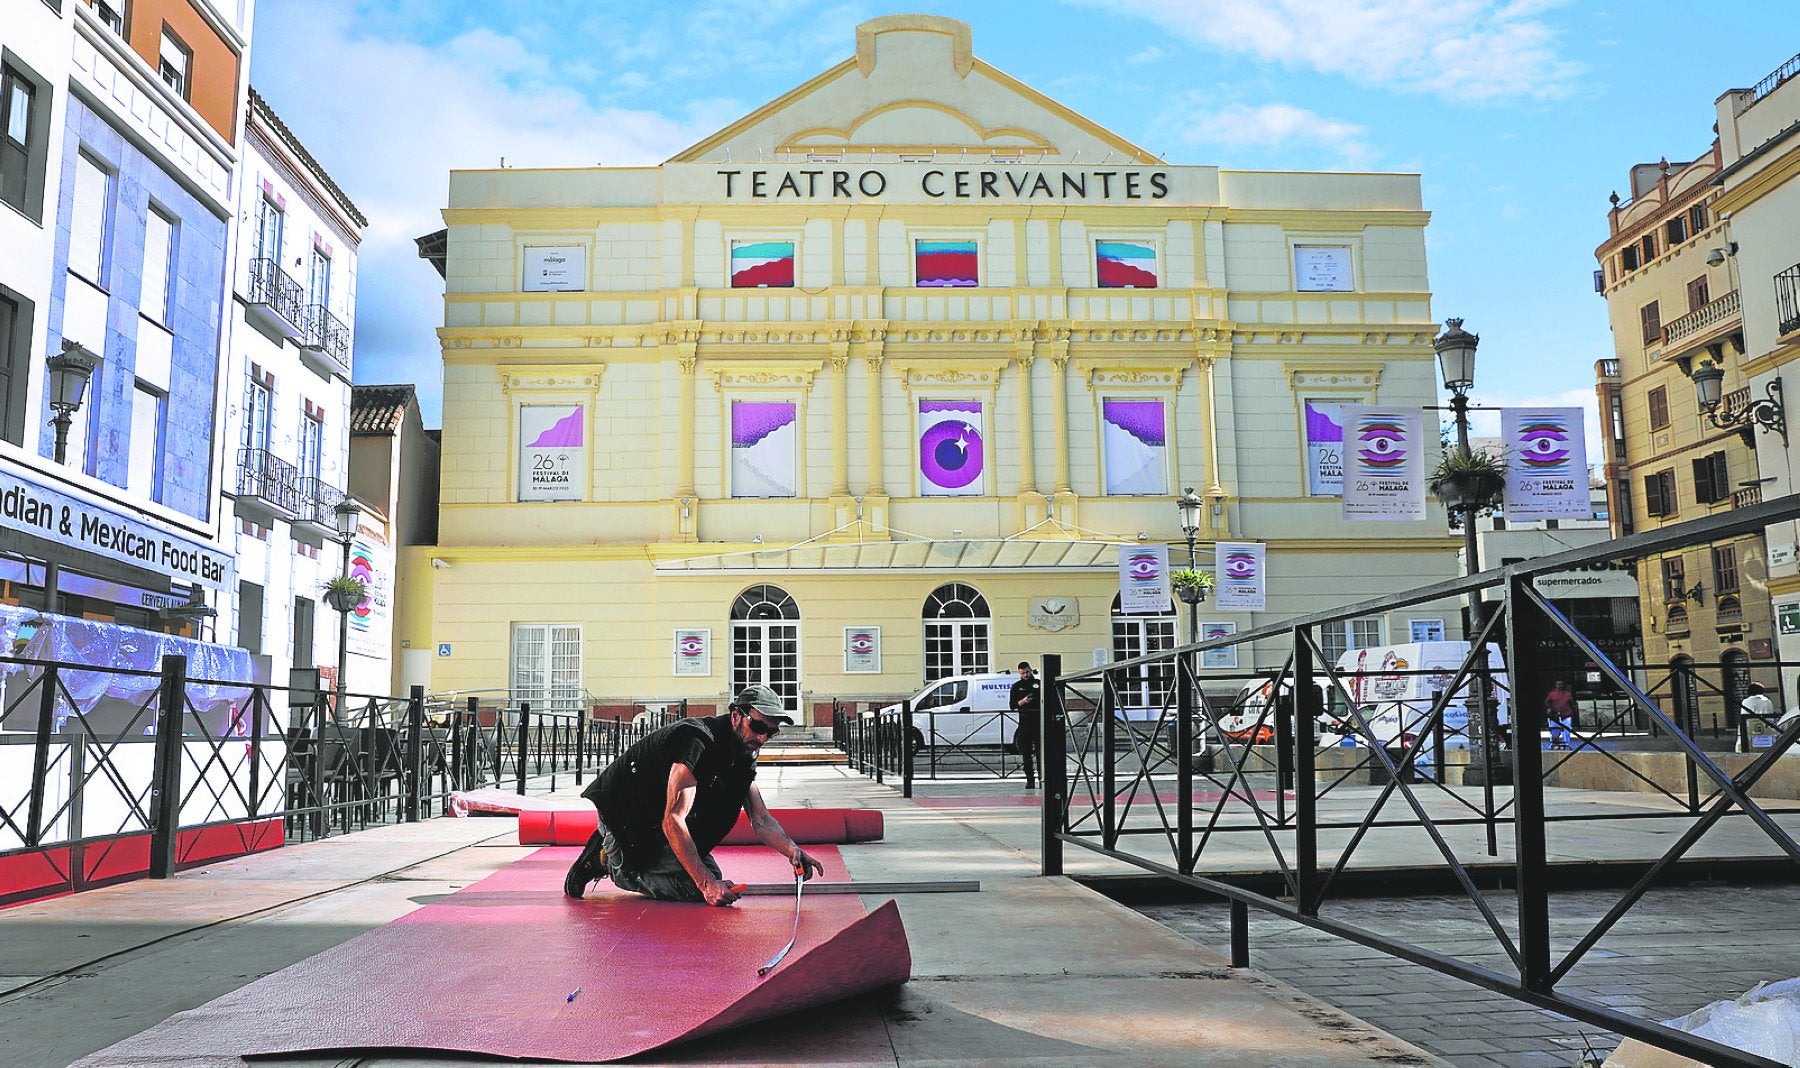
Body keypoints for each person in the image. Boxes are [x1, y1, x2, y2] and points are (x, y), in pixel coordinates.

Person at [563, 684, 824, 904]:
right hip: (626, 819)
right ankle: (606, 861)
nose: (763, 738)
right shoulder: (695, 741)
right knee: (701, 888)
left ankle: (643, 863)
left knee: (713, 883)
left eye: (771, 731)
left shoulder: (744, 753)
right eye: (757, 726)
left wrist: (792, 850)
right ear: (735, 716)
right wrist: (705, 884)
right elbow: (673, 819)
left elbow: (761, 820)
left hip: (655, 823)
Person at [1010, 660, 1042, 790]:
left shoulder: (1039, 684)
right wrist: (1024, 701)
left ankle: (1042, 778)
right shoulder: (1017, 686)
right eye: (1023, 673)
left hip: (1039, 723)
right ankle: (1030, 779)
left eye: (1027, 672)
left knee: (1041, 753)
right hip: (1024, 724)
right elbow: (1012, 705)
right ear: (1019, 673)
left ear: (1031, 670)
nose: (1026, 675)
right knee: (1026, 753)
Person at [1739, 682, 1776, 753]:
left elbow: (1744, 717)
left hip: (1750, 729)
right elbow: (1771, 715)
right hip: (1766, 730)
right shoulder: (1768, 701)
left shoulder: (1745, 702)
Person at [1544, 680, 1578, 750]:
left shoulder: (1567, 694)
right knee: (1554, 731)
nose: (1560, 686)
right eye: (1558, 684)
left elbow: (1572, 703)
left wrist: (1574, 712)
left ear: (1564, 685)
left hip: (1566, 715)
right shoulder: (1552, 693)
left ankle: (1567, 744)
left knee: (1567, 731)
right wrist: (1549, 708)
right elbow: (1547, 702)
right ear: (1556, 685)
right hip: (1554, 716)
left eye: (1561, 684)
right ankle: (1554, 744)